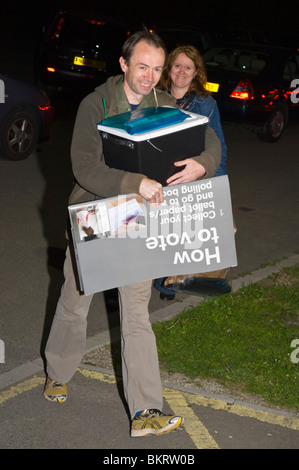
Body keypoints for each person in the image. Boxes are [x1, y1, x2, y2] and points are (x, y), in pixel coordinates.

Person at [43, 29, 221, 438]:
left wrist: (203, 164)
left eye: (158, 69)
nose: (150, 77)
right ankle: (57, 371)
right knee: (76, 300)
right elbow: (84, 167)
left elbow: (207, 136)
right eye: (143, 67)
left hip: (141, 220)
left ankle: (146, 411)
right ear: (123, 64)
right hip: (95, 216)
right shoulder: (97, 104)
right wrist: (135, 181)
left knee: (137, 311)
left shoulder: (163, 102)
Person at [154, 44, 227, 299]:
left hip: (189, 177)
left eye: (188, 67)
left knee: (178, 234)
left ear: (196, 72)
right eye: (177, 66)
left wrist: (217, 186)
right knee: (154, 232)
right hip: (157, 177)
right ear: (169, 68)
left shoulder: (207, 105)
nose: (182, 72)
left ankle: (167, 284)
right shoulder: (154, 97)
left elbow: (219, 147)